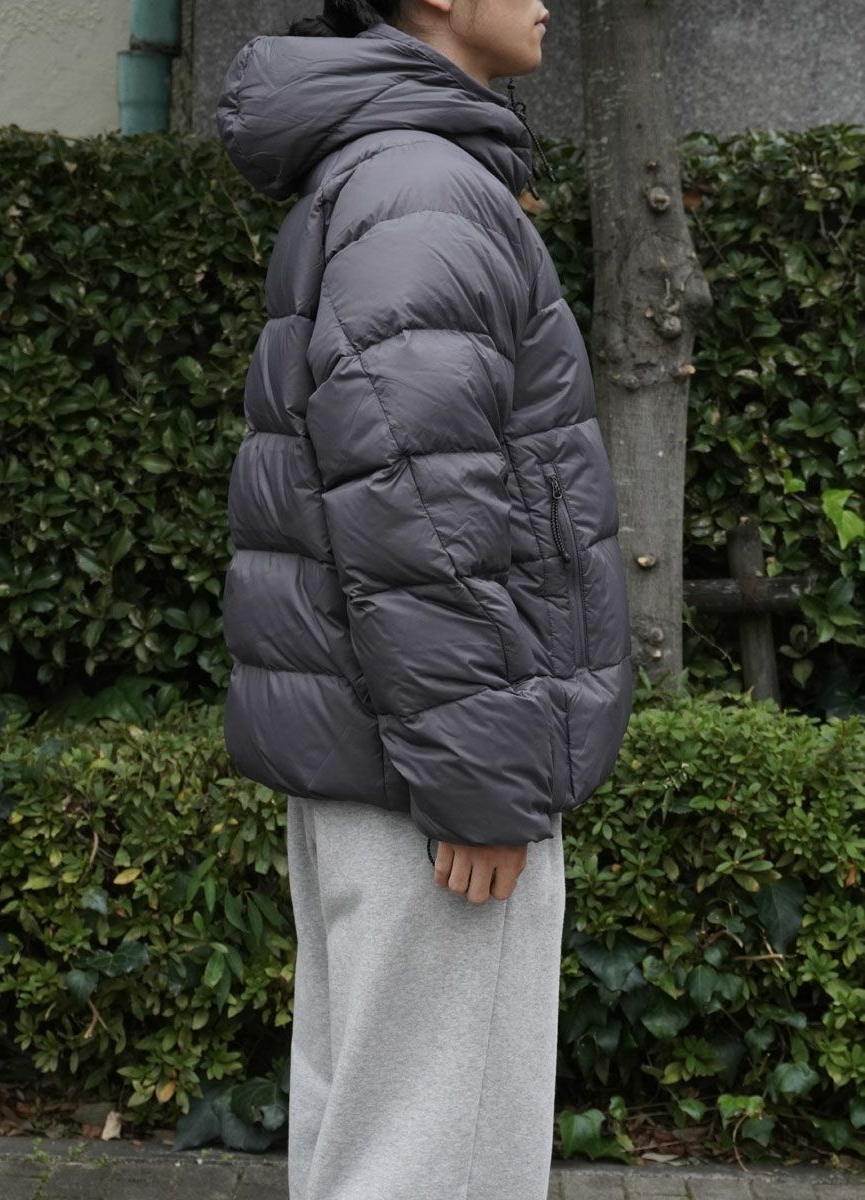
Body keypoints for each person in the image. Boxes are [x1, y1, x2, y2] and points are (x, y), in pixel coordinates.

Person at [215, 0, 633, 1195]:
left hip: (386, 752)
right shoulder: (423, 186)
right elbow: (417, 503)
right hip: (430, 777)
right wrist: (482, 778)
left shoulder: (389, 173)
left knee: (376, 1148)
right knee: (435, 1161)